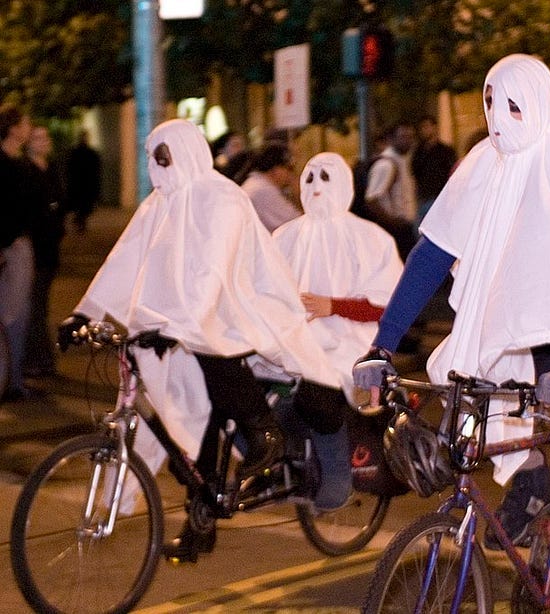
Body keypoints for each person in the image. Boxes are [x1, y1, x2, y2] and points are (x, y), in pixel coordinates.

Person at [352, 54, 550, 613]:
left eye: (515, 105)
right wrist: (382, 343)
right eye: (491, 102)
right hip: (536, 322)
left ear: (541, 102)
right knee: (476, 397)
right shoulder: (486, 164)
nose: (500, 119)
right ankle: (530, 487)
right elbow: (433, 253)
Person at [57, 119, 341, 563]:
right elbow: (124, 260)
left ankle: (264, 433)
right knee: (186, 427)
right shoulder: (159, 204)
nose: (158, 167)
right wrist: (84, 315)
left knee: (213, 355)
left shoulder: (221, 198)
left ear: (186, 151)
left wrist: (177, 323)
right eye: (154, 157)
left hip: (241, 308)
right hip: (183, 324)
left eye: (164, 155)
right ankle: (201, 525)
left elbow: (211, 274)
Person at [273, 151, 404, 507]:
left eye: (325, 177)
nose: (316, 186)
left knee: (318, 394)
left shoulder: (370, 238)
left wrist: (333, 306)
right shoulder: (285, 236)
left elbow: (388, 305)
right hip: (294, 343)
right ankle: (286, 466)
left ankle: (337, 476)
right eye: (309, 177)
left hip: (350, 346)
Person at [23, 124, 67, 378]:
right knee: (35, 304)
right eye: (38, 137)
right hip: (34, 246)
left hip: (50, 247)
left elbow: (61, 202)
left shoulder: (50, 169)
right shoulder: (26, 170)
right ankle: (40, 358)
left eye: (45, 136)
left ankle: (40, 357)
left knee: (41, 303)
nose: (44, 141)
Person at [0, 104, 36, 401]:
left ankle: (11, 377)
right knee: (14, 314)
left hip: (13, 243)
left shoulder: (18, 162)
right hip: (13, 245)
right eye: (24, 123)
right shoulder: (10, 165)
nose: (28, 128)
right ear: (13, 128)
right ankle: (12, 381)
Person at [363, 122, 418, 259]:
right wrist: (392, 222)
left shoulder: (401, 160)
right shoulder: (386, 164)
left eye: (411, 137)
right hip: (395, 229)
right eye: (403, 137)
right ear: (391, 139)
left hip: (403, 226)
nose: (408, 141)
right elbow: (371, 200)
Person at [240, 141, 301, 233]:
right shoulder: (262, 189)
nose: (290, 174)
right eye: (288, 168)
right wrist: (298, 192)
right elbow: (296, 224)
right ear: (276, 170)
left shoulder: (257, 183)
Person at [411, 115, 457, 225]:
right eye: (422, 128)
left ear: (435, 127)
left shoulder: (445, 151)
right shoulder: (418, 152)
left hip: (441, 195)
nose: (424, 130)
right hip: (424, 196)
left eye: (427, 126)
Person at [64, 130, 101, 233]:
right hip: (81, 184)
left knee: (84, 207)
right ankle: (80, 222)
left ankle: (80, 221)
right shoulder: (80, 153)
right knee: (82, 206)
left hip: (85, 184)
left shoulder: (87, 153)